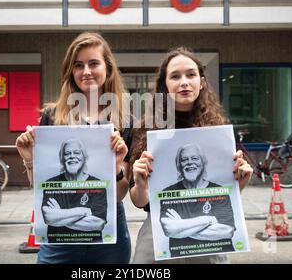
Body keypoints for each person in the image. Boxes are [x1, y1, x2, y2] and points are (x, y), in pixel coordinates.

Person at [15, 32, 132, 264]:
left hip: (108, 234)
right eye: (79, 65)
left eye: (94, 63)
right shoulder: (52, 116)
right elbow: (40, 188)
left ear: (107, 68)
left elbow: (118, 195)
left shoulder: (123, 121)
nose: (86, 71)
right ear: (71, 71)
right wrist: (29, 159)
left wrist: (116, 167)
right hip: (59, 240)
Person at [129, 47, 253, 264]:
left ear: (202, 82)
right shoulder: (147, 130)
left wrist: (240, 183)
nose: (184, 82)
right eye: (175, 76)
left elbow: (227, 197)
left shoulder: (219, 130)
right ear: (164, 87)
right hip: (159, 233)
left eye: (191, 74)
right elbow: (140, 202)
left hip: (209, 243)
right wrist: (140, 184)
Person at [160, 143, 236, 258]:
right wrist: (207, 220)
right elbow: (169, 229)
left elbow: (226, 231)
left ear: (203, 163)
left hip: (216, 256)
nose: (190, 162)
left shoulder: (219, 191)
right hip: (181, 256)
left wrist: (180, 227)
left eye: (195, 158)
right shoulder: (168, 193)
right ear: (179, 166)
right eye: (184, 159)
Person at [42, 139, 107, 243]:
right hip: (58, 247)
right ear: (62, 158)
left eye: (77, 152)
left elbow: (98, 224)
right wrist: (83, 211)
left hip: (92, 246)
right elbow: (48, 217)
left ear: (84, 157)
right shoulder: (51, 184)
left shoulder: (98, 184)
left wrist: (58, 217)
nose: (72, 156)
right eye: (67, 153)